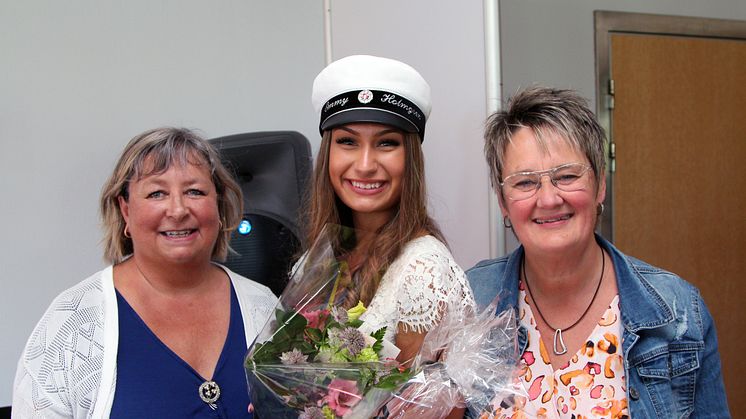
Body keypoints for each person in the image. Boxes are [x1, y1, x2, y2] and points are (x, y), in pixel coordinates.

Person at [467, 86, 730, 417]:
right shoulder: (470, 301)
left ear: (600, 185)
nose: (548, 199)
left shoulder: (678, 311)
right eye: (524, 182)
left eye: (567, 176)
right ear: (503, 202)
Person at [12, 127, 278, 418]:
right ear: (125, 210)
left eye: (194, 191)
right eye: (156, 193)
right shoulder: (71, 324)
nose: (177, 210)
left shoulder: (263, 307)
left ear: (218, 204)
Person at [306, 55, 474, 417]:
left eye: (386, 143)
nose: (365, 164)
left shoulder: (422, 272)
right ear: (327, 154)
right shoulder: (321, 257)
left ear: (410, 157)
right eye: (348, 142)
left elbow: (440, 412)